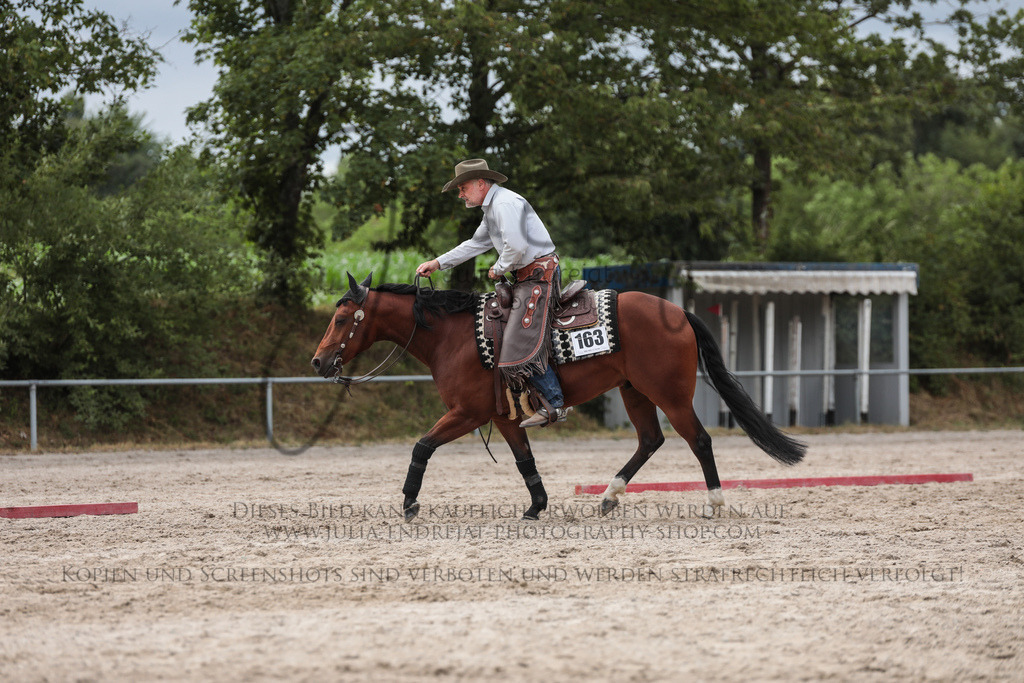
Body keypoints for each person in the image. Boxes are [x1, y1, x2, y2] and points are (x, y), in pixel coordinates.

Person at [416, 158, 571, 428]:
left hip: (539, 277)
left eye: (462, 188)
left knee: (517, 338)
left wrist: (499, 268)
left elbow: (517, 246)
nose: (461, 194)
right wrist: (438, 262)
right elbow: (475, 244)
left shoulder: (504, 205)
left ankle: (555, 402)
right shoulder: (493, 208)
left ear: (480, 183)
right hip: (528, 277)